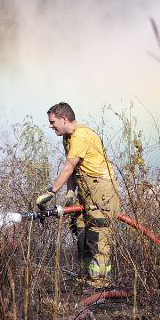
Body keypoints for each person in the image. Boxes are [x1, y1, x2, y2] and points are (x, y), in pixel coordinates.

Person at [35, 103, 120, 287]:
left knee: (98, 233)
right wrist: (71, 192)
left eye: (53, 122)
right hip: (85, 188)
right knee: (81, 231)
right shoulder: (67, 138)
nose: (50, 126)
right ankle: (88, 276)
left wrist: (51, 192)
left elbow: (68, 168)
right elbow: (74, 170)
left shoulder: (80, 135)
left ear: (64, 119)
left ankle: (100, 280)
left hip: (101, 189)